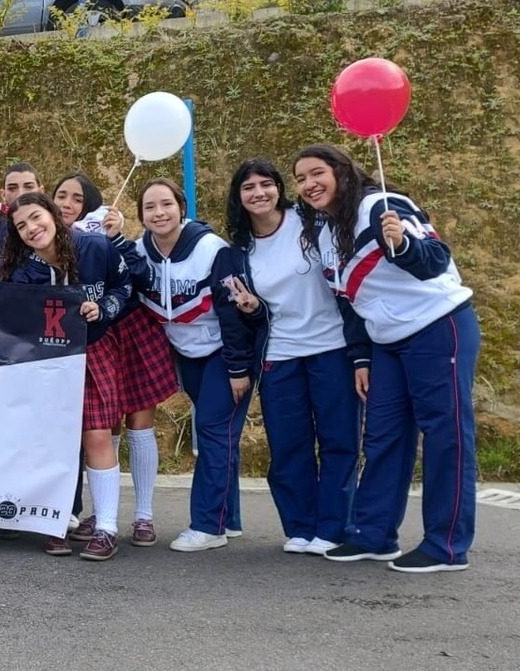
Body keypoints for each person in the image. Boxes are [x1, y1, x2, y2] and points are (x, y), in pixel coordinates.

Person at [294, 144, 479, 573]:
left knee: (445, 436)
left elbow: (436, 260)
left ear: (341, 171)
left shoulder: (383, 206)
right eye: (301, 178)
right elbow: (349, 301)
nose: (308, 184)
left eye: (316, 173)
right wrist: (361, 358)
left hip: (437, 326)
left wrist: (402, 244)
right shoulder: (322, 233)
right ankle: (373, 535)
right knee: (382, 436)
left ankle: (446, 546)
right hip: (385, 343)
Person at [215, 158, 360, 556]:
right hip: (280, 356)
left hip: (333, 349)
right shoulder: (238, 252)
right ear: (239, 198)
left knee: (339, 442)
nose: (258, 193)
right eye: (248, 188)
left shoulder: (312, 223)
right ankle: (300, 525)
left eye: (266, 184)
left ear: (280, 188)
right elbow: (244, 319)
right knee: (289, 446)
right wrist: (251, 310)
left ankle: (334, 527)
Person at [106, 178, 248, 553]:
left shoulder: (212, 250)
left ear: (181, 208)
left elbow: (234, 316)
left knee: (213, 430)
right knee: (221, 436)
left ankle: (207, 525)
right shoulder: (139, 250)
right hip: (184, 354)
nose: (159, 213)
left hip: (222, 351)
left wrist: (237, 368)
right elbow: (130, 287)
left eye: (166, 204)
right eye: (150, 207)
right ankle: (228, 518)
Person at [2, 192, 131, 559]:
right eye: (21, 225)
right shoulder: (27, 271)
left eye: (36, 217)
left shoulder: (95, 247)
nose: (31, 228)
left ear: (54, 215)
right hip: (48, 359)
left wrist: (104, 307)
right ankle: (55, 519)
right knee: (54, 440)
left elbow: (125, 288)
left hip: (94, 349)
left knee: (97, 435)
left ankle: (106, 527)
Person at [56, 172, 175, 549]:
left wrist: (117, 237)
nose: (67, 203)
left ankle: (143, 516)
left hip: (130, 329)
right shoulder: (46, 241)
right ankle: (102, 513)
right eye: (61, 195)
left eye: (77, 198)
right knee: (102, 428)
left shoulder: (106, 237)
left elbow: (139, 277)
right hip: (92, 337)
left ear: (91, 205)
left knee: (139, 424)